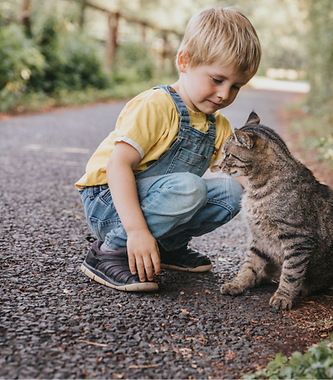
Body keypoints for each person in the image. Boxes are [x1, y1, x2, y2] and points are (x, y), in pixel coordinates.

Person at [75, 6, 261, 292]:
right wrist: (136, 231)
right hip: (110, 203)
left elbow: (243, 179)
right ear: (184, 61)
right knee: (190, 187)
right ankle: (110, 251)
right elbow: (117, 166)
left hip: (154, 200)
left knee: (232, 192)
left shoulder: (218, 125)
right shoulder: (157, 106)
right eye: (217, 80)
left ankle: (165, 246)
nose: (225, 94)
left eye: (236, 86)